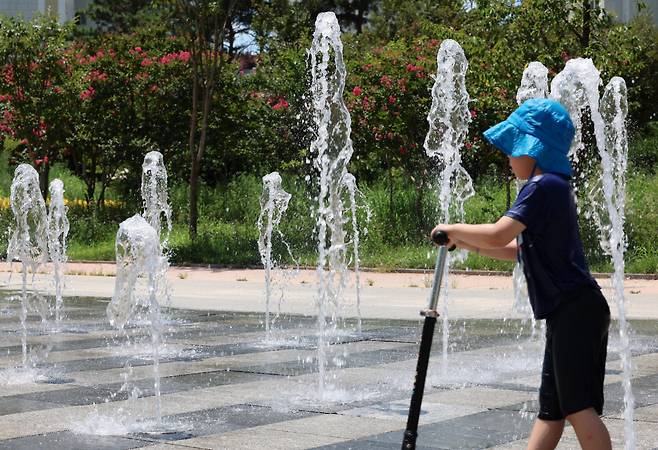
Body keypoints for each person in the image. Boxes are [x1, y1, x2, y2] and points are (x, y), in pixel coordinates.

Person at [432, 98, 612, 450]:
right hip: (573, 311)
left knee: (577, 408)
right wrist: (463, 242)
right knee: (552, 411)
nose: (509, 157)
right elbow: (517, 250)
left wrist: (452, 226)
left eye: (512, 148)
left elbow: (501, 233)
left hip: (575, 310)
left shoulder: (542, 187)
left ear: (533, 150)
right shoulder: (553, 186)